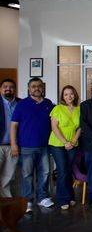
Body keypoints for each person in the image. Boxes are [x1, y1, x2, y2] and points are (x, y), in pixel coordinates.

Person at [10, 77, 54, 212]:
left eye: (39, 86)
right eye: (33, 86)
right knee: (27, 175)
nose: (37, 88)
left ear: (43, 88)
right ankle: (27, 201)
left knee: (45, 172)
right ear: (29, 88)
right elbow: (13, 126)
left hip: (45, 146)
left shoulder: (49, 104)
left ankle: (42, 198)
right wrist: (13, 144)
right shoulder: (22, 104)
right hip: (27, 146)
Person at [48, 85, 81, 210]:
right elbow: (54, 127)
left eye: (71, 93)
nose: (69, 96)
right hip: (58, 143)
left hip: (73, 143)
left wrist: (73, 141)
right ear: (62, 96)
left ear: (75, 95)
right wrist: (65, 142)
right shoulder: (58, 108)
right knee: (62, 170)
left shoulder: (79, 109)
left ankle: (70, 196)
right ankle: (63, 199)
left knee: (68, 170)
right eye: (66, 94)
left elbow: (80, 127)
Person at [0, 79, 20, 198]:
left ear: (15, 89)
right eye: (5, 86)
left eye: (11, 87)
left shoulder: (21, 103)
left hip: (14, 146)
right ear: (0, 89)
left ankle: (5, 201)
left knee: (7, 176)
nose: (8, 89)